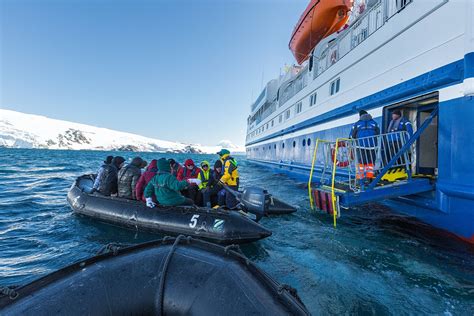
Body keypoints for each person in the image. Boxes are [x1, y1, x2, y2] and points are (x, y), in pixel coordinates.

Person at [349, 110, 380, 181]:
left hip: (361, 146)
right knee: (371, 162)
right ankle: (369, 177)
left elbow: (351, 135)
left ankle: (361, 178)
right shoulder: (374, 123)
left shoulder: (357, 124)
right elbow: (378, 133)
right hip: (373, 146)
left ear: (360, 115)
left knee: (361, 162)